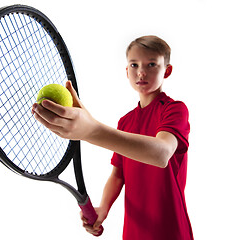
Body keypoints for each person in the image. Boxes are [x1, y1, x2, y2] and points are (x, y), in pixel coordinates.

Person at [32, 35, 193, 240]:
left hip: (170, 232)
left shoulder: (175, 110)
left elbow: (161, 153)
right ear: (127, 71)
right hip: (133, 232)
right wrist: (103, 209)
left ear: (167, 70)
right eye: (134, 64)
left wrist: (91, 131)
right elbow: (118, 175)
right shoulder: (125, 122)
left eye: (152, 64)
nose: (141, 71)